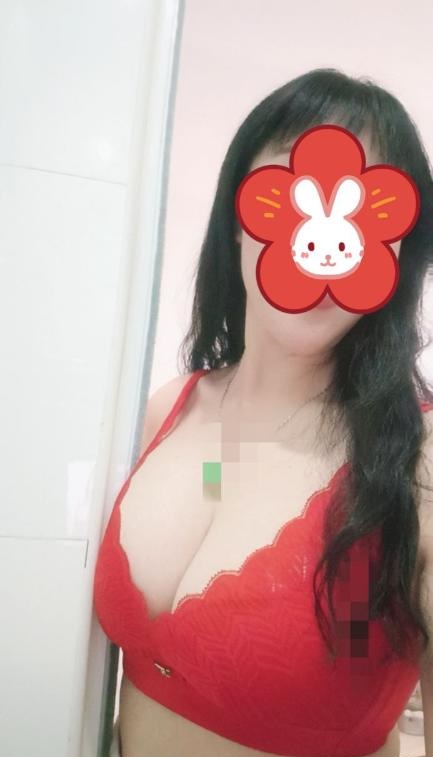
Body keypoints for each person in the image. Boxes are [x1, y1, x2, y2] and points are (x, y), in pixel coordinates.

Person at [95, 67, 433, 757]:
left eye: (368, 210)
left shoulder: (418, 462)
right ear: (239, 220)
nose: (326, 239)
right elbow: (222, 486)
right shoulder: (170, 411)